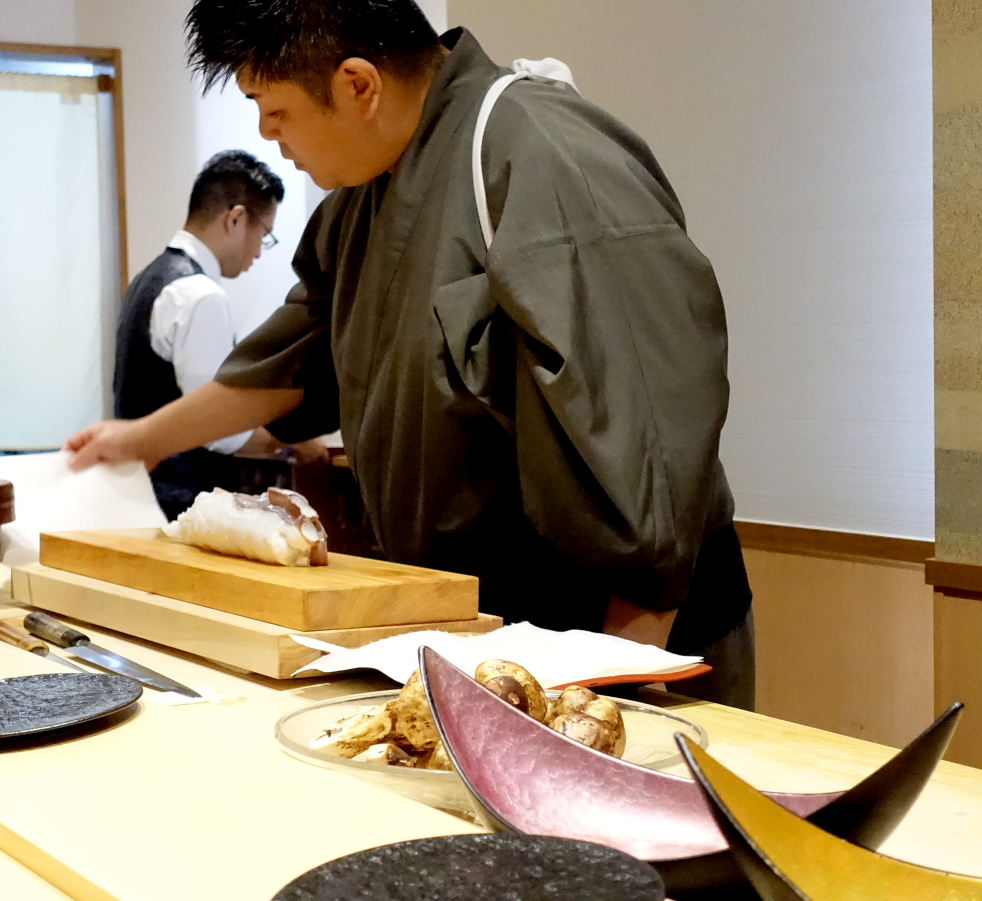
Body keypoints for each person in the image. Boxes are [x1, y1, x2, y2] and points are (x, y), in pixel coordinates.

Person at [71, 1, 755, 708]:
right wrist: (141, 439)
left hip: (621, 636)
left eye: (272, 109)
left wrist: (619, 682)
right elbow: (292, 360)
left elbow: (652, 443)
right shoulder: (360, 200)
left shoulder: (546, 154)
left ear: (358, 85)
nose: (265, 134)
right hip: (480, 628)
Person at [112, 150, 327, 518]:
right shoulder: (200, 295)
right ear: (236, 219)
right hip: (178, 503)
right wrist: (296, 440)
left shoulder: (149, 279)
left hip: (139, 496)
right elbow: (220, 433)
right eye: (265, 234)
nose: (260, 250)